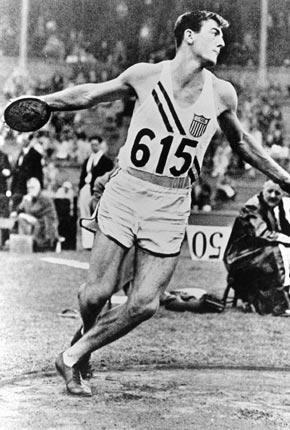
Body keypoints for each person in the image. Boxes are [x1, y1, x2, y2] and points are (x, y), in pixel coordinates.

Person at [30, 10, 290, 396]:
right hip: (126, 190)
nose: (222, 41)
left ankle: (72, 354)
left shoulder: (221, 93)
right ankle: (83, 343)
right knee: (96, 294)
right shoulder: (145, 75)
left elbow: (241, 144)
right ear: (188, 36)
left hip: (172, 202)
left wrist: (284, 177)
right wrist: (45, 102)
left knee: (145, 304)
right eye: (214, 33)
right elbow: (89, 93)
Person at [224, 180, 290, 315]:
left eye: (277, 193)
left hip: (257, 255)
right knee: (277, 252)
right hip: (239, 258)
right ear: (262, 191)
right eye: (269, 191)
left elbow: (284, 231)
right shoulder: (252, 207)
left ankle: (281, 299)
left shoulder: (271, 207)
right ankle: (279, 305)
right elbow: (262, 234)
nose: (273, 195)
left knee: (282, 251)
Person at [78, 135, 114, 249]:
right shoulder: (88, 160)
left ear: (100, 145)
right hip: (86, 187)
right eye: (92, 144)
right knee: (85, 214)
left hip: (97, 190)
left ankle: (97, 242)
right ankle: (87, 243)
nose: (94, 147)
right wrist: (81, 187)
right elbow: (83, 175)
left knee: (96, 214)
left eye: (96, 144)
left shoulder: (106, 161)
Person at [11, 177, 59, 251]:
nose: (30, 190)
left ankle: (30, 241)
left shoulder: (43, 196)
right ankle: (26, 241)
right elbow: (21, 210)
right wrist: (23, 203)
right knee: (20, 217)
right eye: (28, 188)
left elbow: (34, 211)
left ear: (38, 187)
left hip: (46, 222)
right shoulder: (32, 198)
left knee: (22, 216)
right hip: (38, 221)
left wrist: (27, 203)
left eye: (32, 187)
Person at [11, 133, 44, 209]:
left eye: (24, 140)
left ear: (29, 140)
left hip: (29, 185)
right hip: (19, 186)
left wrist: (39, 187)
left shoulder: (36, 154)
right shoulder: (21, 153)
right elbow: (17, 170)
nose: (22, 142)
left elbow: (39, 172)